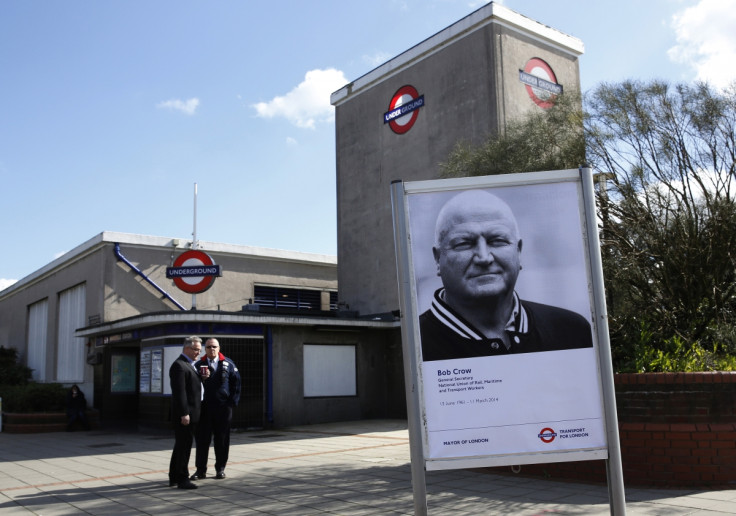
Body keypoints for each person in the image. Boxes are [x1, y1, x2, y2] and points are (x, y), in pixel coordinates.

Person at [419, 189, 593, 361]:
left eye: (497, 241)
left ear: (518, 252)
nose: (484, 257)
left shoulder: (571, 331)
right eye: (464, 243)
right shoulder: (412, 344)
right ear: (437, 259)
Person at [190, 338, 241, 481]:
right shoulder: (198, 365)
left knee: (222, 439)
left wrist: (231, 403)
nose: (211, 349)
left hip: (223, 409)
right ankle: (200, 470)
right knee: (202, 440)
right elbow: (192, 386)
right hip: (204, 409)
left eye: (214, 346)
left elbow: (236, 384)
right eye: (208, 347)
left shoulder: (228, 364)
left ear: (219, 348)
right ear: (205, 349)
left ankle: (220, 468)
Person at [168, 335, 206, 489]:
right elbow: (180, 392)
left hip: (191, 413)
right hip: (186, 414)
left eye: (199, 349)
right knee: (184, 447)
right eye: (196, 349)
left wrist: (202, 378)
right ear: (187, 348)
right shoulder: (179, 365)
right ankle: (182, 478)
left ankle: (174, 477)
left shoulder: (190, 365)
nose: (198, 352)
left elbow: (192, 387)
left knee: (181, 446)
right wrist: (184, 413)